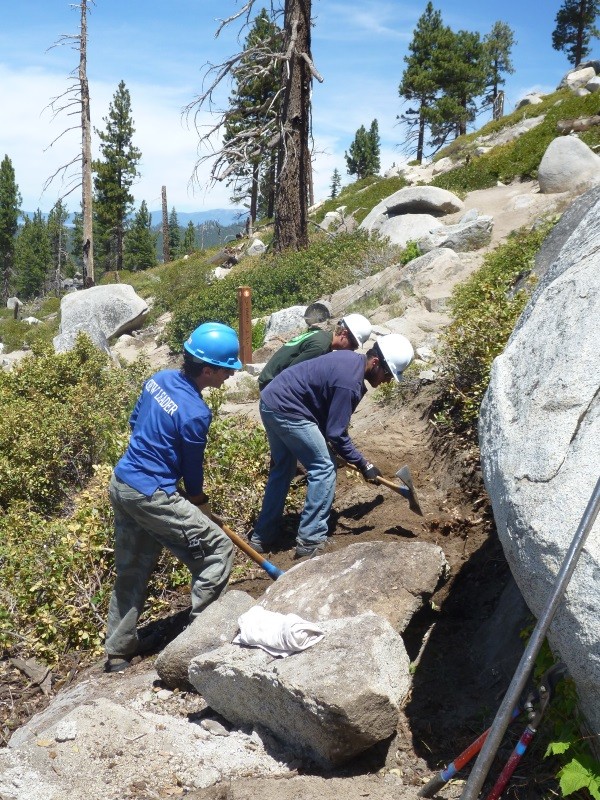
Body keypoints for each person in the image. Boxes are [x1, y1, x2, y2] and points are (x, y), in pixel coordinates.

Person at [104, 322, 242, 673]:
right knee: (218, 549)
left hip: (122, 482)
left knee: (132, 569)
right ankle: (203, 638)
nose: (229, 375)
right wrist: (197, 499)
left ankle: (119, 651)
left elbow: (136, 422)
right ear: (208, 369)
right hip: (151, 492)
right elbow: (192, 469)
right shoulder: (197, 412)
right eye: (226, 368)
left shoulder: (159, 378)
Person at [249, 333, 415, 558]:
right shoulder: (350, 383)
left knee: (283, 469)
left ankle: (262, 537)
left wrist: (339, 450)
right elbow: (336, 433)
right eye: (388, 374)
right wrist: (364, 463)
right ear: (375, 362)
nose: (387, 380)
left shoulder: (350, 361)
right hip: (288, 410)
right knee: (324, 468)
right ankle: (310, 540)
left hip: (271, 401)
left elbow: (328, 421)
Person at [258, 313, 372, 391]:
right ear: (344, 334)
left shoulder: (321, 335)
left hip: (270, 379)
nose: (352, 350)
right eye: (353, 345)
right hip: (271, 383)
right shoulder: (320, 347)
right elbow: (290, 375)